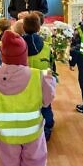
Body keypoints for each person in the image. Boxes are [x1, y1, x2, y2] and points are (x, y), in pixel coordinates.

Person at [0, 30, 56, 166]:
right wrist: (50, 80)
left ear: (2, 55)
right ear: (24, 55)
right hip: (33, 134)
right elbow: (47, 101)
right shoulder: (38, 75)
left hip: (6, 137)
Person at [23, 12, 55, 141]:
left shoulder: (19, 45)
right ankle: (47, 129)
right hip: (42, 82)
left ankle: (28, 129)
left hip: (24, 83)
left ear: (24, 27)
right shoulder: (46, 47)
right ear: (39, 28)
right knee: (45, 105)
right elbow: (51, 66)